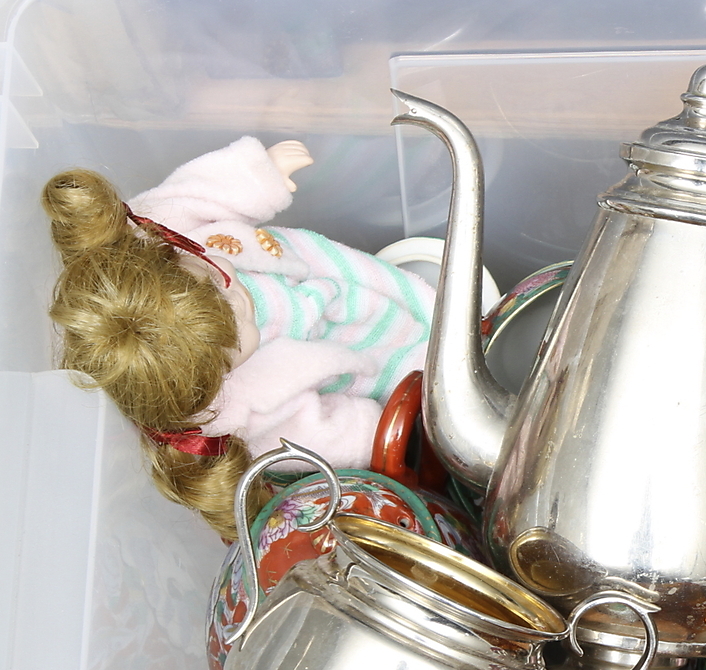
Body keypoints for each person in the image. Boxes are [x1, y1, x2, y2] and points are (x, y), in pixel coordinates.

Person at [43, 137, 435, 538]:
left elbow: (196, 194)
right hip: (375, 359)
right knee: (434, 375)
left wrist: (260, 174)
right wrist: (378, 431)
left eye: (215, 280)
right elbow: (320, 432)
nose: (240, 300)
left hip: (332, 273)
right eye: (236, 335)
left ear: (172, 253)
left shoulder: (152, 236)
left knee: (425, 299)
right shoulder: (235, 408)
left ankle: (433, 307)